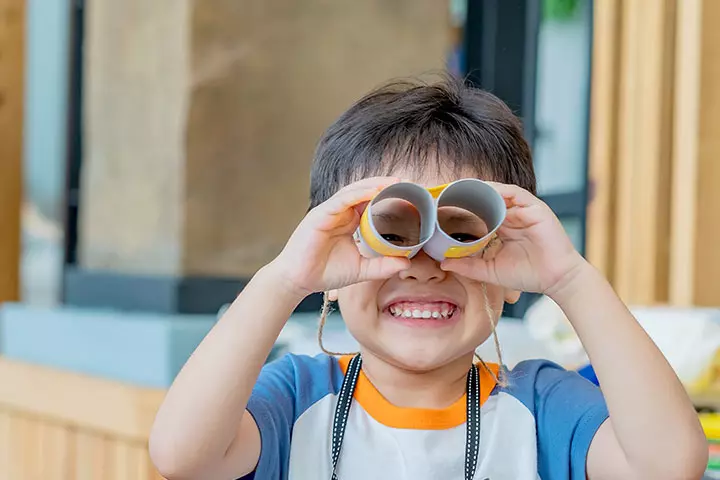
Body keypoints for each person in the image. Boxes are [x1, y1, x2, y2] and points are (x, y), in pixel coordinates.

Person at [149, 75, 707, 480]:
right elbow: (181, 455)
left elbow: (668, 465)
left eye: (460, 231)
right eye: (392, 230)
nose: (424, 265)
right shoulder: (298, 398)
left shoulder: (540, 407)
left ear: (508, 273)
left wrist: (571, 280)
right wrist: (285, 278)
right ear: (335, 272)